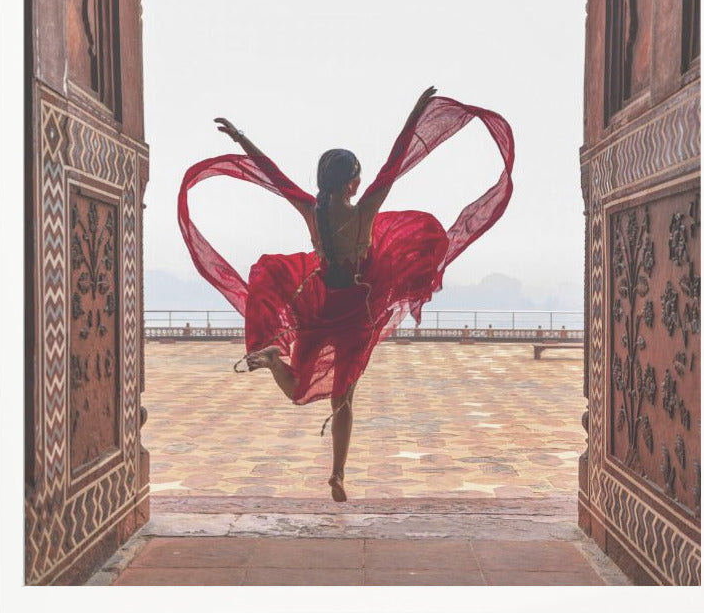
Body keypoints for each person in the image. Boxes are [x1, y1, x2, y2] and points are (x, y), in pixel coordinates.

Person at [178, 88, 514, 502]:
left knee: (305, 390)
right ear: (353, 182)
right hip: (353, 311)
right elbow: (395, 164)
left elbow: (273, 175)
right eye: (359, 174)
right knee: (339, 397)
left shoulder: (312, 211)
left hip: (320, 306)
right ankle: (333, 466)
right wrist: (415, 113)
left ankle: (324, 452)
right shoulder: (364, 211)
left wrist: (241, 137)